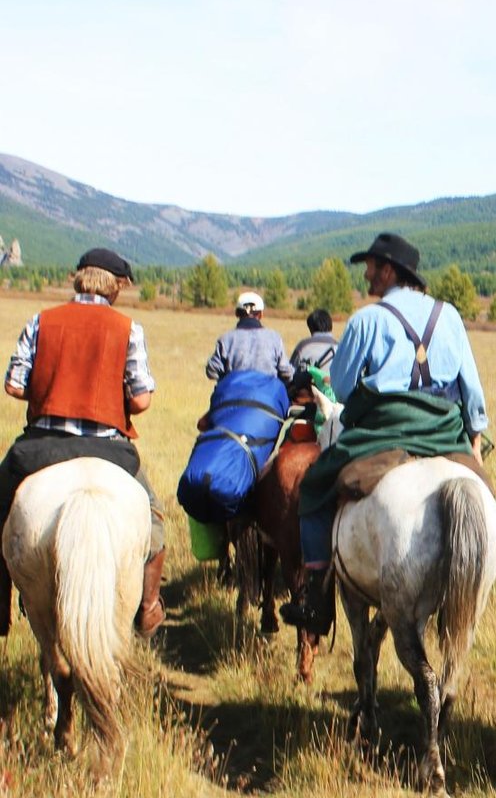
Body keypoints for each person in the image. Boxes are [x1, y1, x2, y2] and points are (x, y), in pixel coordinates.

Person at [280, 232, 489, 635]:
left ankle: (317, 603)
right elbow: (471, 389)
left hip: (383, 428)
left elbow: (339, 387)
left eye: (371, 267)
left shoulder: (367, 319)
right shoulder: (450, 315)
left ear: (389, 270)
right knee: (488, 501)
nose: (367, 276)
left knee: (314, 485)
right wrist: (475, 437)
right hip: (445, 429)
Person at [1, 247, 167, 637]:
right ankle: (146, 607)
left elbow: (12, 384)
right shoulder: (129, 329)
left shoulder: (41, 321)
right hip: (109, 449)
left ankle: (0, 607)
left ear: (79, 279)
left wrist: (50, 394)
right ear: (116, 287)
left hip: (40, 446)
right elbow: (141, 400)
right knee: (155, 518)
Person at [205, 290, 291, 384]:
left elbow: (211, 371)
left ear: (237, 313)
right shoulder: (275, 338)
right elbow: (286, 373)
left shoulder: (226, 339)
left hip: (233, 395)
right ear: (261, 314)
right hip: (267, 396)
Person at [288, 308, 338, 401]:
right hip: (334, 397)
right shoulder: (339, 347)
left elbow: (291, 372)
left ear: (311, 328)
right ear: (331, 326)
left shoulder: (304, 346)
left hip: (309, 398)